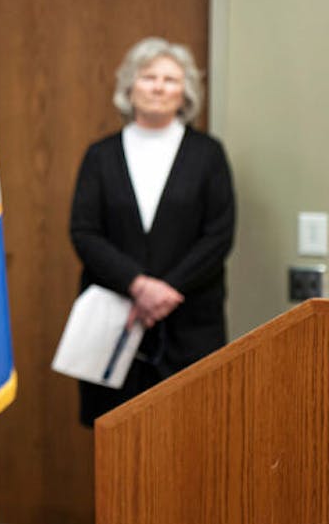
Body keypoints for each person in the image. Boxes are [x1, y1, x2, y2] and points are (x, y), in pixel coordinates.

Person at [70, 36, 235, 427]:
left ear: (186, 93)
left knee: (193, 438)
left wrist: (163, 291)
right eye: (149, 77)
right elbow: (84, 232)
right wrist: (138, 285)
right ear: (129, 86)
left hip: (191, 327)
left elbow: (219, 236)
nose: (159, 87)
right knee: (118, 443)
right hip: (114, 324)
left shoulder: (208, 155)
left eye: (171, 79)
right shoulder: (100, 155)